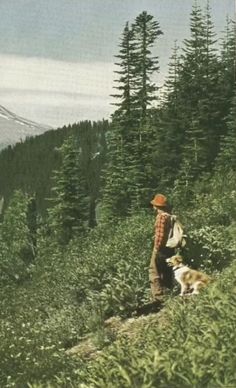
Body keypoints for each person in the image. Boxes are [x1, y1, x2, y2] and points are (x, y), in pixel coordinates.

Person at [149, 193, 175, 301]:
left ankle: (159, 296)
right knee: (166, 270)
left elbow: (160, 236)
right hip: (170, 247)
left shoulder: (161, 217)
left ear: (157, 206)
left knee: (153, 270)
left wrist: (156, 249)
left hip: (161, 248)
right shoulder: (170, 216)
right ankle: (169, 292)